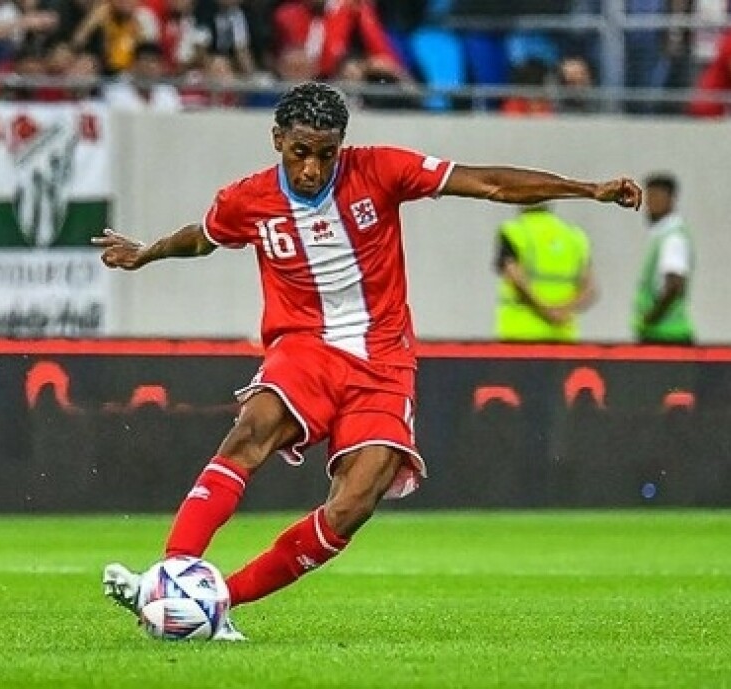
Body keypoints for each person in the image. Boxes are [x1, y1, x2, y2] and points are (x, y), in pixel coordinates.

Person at [93, 82, 642, 640]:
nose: (312, 168)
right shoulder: (247, 199)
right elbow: (202, 237)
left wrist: (587, 190)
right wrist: (147, 252)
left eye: (326, 154)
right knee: (254, 427)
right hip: (304, 345)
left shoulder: (380, 170)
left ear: (342, 145)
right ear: (277, 140)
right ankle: (170, 573)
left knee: (355, 502)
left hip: (384, 360)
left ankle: (214, 603)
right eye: (300, 152)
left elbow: (488, 182)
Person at [493, 203, 595, 343]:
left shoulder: (514, 231)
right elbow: (589, 287)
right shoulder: (574, 235)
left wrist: (545, 309)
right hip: (562, 334)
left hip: (520, 333)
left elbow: (514, 276)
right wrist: (564, 311)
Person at [633, 172, 695, 345]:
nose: (650, 203)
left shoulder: (673, 238)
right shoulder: (661, 235)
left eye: (655, 196)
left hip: (667, 335)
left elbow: (674, 284)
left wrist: (650, 318)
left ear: (670, 199)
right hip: (662, 333)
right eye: (648, 197)